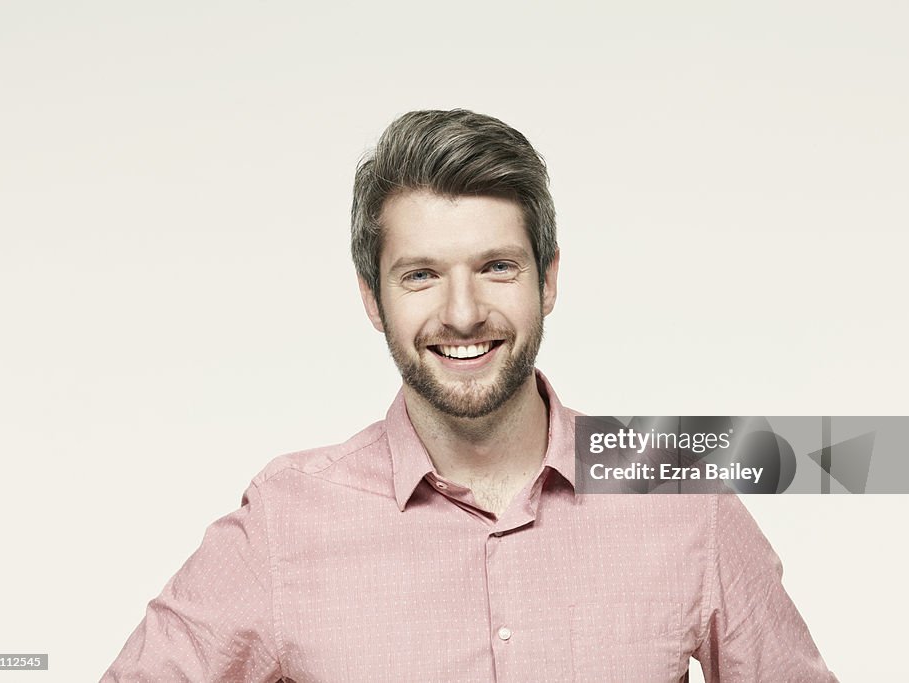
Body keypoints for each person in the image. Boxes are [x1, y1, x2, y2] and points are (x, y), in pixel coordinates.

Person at [102, 109, 837, 682]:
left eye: (496, 266)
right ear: (372, 296)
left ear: (548, 279)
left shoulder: (684, 499)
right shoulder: (287, 522)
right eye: (421, 274)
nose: (461, 311)